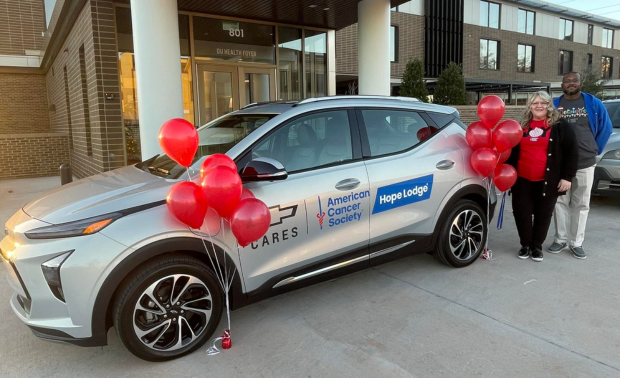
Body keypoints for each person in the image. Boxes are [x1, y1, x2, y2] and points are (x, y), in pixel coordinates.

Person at [505, 91, 578, 262]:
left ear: (549, 106)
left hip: (548, 181)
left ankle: (537, 246)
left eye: (543, 103)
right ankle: (525, 245)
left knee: (543, 214)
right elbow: (509, 151)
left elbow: (572, 153)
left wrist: (567, 177)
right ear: (529, 105)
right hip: (522, 179)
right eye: (535, 103)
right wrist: (506, 174)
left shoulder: (560, 126)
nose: (539, 106)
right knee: (521, 213)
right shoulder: (520, 125)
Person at [549, 72, 613, 259]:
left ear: (580, 83)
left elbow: (606, 127)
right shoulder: (554, 104)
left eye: (574, 80)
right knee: (559, 202)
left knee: (581, 203)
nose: (571, 84)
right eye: (567, 81)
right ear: (562, 84)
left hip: (585, 162)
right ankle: (560, 239)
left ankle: (576, 242)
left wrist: (595, 148)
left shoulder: (593, 103)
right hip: (560, 163)